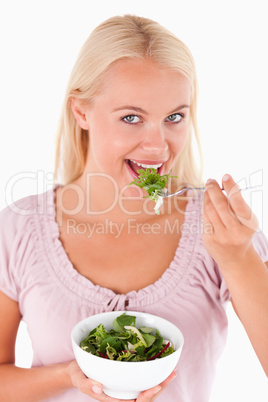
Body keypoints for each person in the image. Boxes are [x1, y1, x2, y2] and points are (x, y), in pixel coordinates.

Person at [0, 14, 267, 402]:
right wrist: (70, 375)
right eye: (131, 118)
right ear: (81, 112)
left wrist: (240, 259)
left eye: (174, 117)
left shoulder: (220, 231)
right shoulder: (18, 228)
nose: (158, 146)